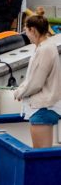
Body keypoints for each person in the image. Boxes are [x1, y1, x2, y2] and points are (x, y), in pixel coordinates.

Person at [14, 14, 61, 148]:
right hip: (44, 108)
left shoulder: (45, 49)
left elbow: (36, 82)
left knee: (40, 154)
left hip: (42, 109)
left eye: (26, 30)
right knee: (41, 154)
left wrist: (19, 93)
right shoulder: (45, 47)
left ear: (33, 30)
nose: (26, 34)